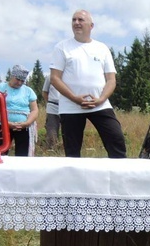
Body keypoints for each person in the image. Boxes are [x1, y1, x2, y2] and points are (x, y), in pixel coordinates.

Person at [49, 9, 127, 158]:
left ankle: (120, 179)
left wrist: (102, 99)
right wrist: (75, 98)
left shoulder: (102, 48)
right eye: (74, 20)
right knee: (72, 152)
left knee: (117, 141)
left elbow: (111, 80)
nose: (76, 23)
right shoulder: (62, 47)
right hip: (71, 107)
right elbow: (55, 78)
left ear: (91, 26)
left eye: (80, 20)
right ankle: (74, 180)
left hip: (100, 104)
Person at [0, 65, 38, 157]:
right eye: (17, 79)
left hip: (23, 127)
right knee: (0, 152)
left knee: (22, 154)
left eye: (22, 81)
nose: (19, 83)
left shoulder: (28, 91)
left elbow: (34, 110)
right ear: (12, 76)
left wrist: (27, 123)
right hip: (2, 126)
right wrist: (6, 123)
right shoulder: (0, 88)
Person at [41, 73, 61, 150]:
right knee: (51, 132)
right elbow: (44, 92)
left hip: (67, 108)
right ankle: (51, 151)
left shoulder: (71, 76)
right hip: (53, 107)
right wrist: (49, 102)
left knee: (68, 132)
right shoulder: (50, 77)